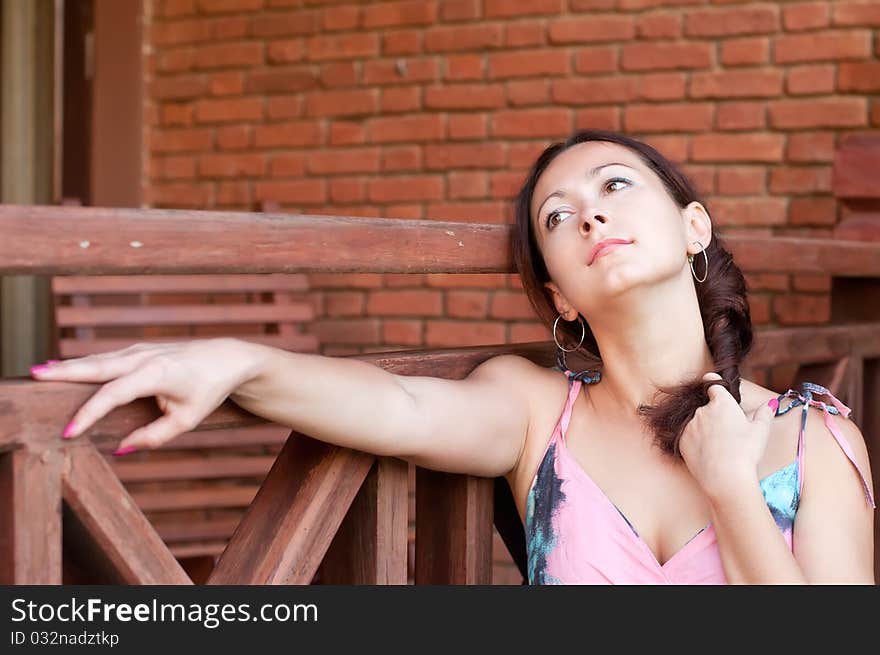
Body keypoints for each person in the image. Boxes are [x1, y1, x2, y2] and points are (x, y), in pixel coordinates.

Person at [30, 129, 875, 584]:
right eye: (557, 216)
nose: (588, 216)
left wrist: (731, 487)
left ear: (694, 228)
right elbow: (395, 408)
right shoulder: (537, 412)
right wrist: (237, 361)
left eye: (615, 186)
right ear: (559, 296)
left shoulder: (810, 438)